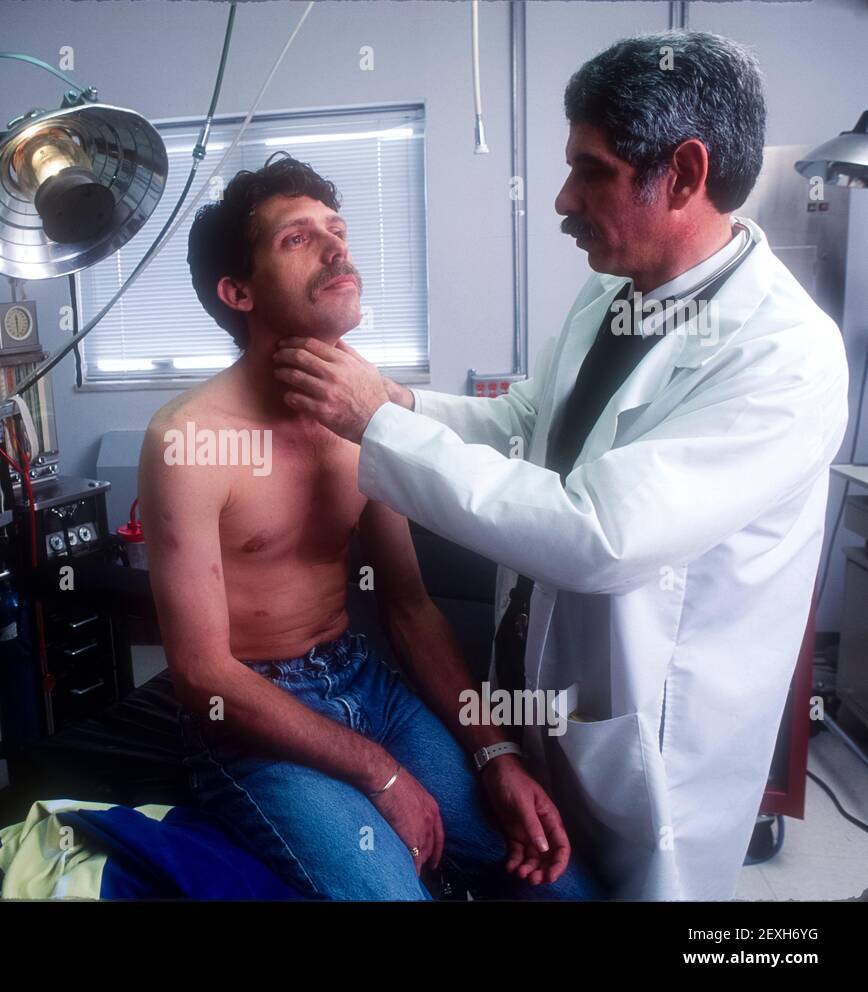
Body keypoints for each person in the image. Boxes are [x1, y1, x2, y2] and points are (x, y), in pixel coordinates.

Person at [272, 32, 849, 899]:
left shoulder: (785, 354)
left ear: (685, 176)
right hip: (543, 677)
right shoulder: (614, 294)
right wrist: (397, 406)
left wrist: (375, 430)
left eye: (592, 170)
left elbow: (600, 534)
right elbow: (526, 425)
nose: (561, 199)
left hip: (658, 731)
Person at [138, 154, 599, 900]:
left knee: (561, 882)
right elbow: (202, 674)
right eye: (297, 238)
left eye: (338, 230)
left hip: (364, 681)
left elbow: (410, 608)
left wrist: (498, 754)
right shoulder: (188, 438)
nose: (337, 249)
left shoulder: (360, 412)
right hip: (253, 719)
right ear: (239, 291)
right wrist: (379, 773)